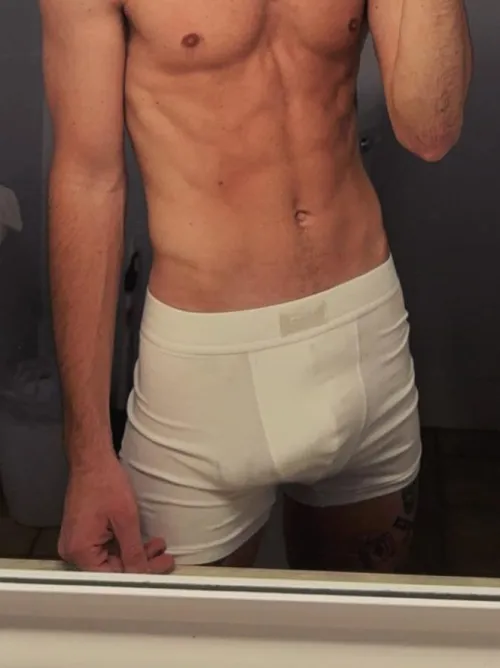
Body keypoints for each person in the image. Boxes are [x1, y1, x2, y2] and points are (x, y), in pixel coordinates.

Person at [40, 0, 472, 574]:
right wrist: (88, 454)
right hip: (203, 370)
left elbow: (430, 131)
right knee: (180, 628)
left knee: (357, 624)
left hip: (363, 341)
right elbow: (89, 179)